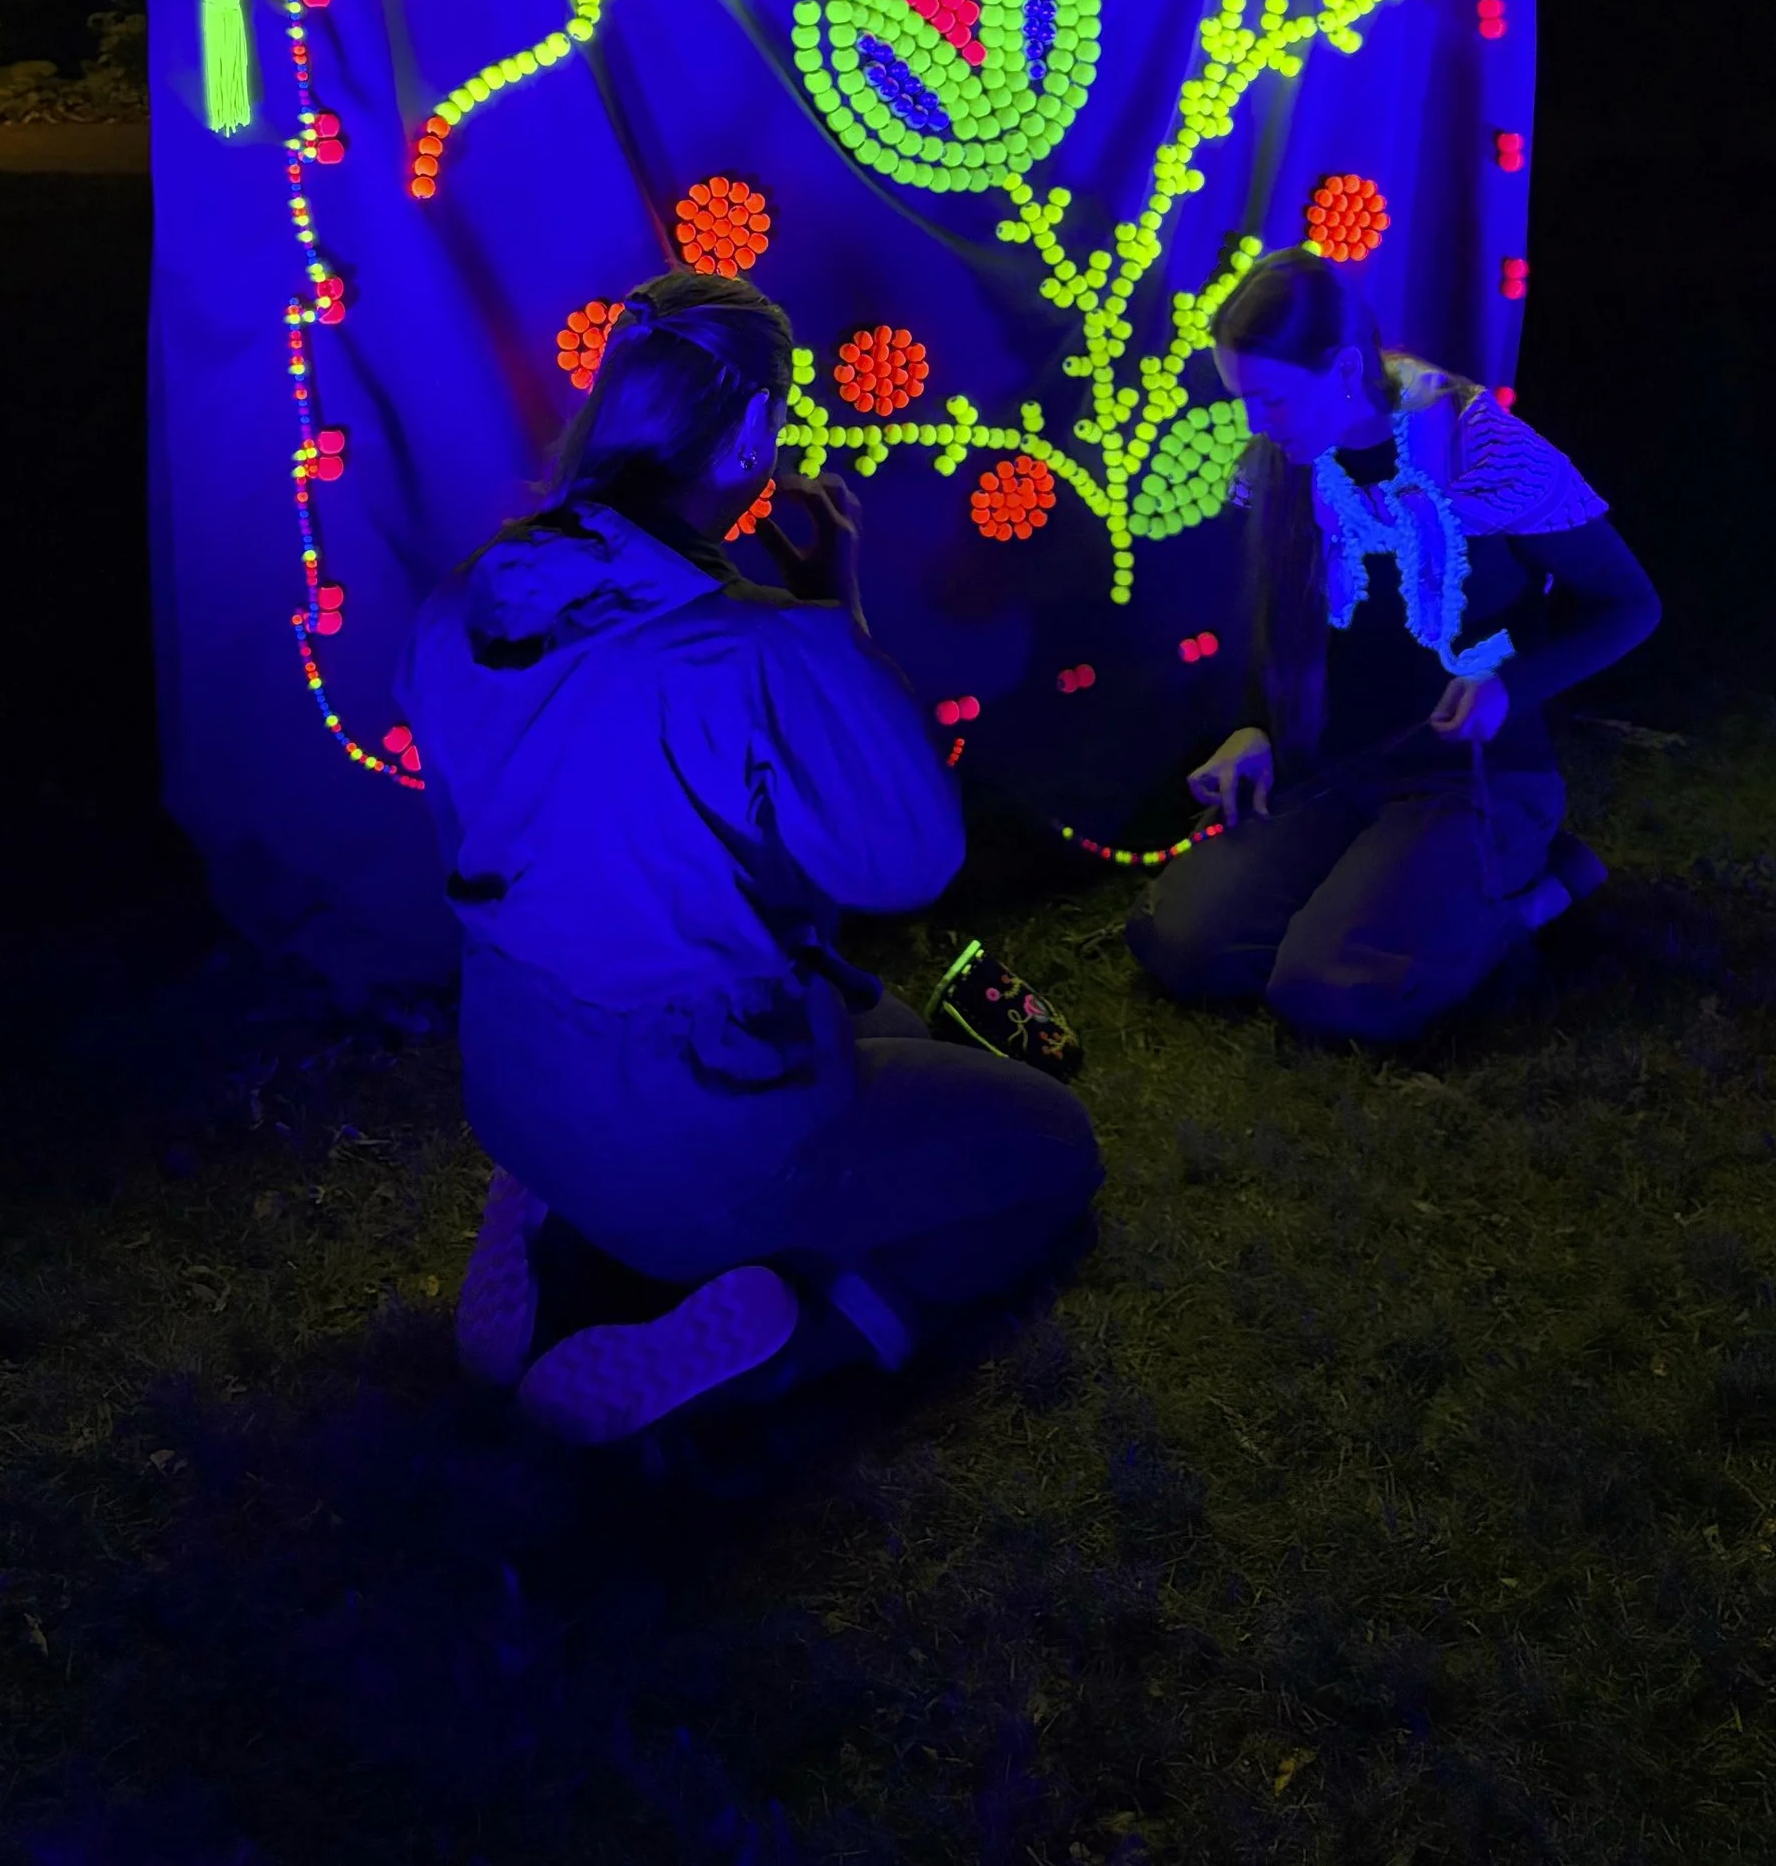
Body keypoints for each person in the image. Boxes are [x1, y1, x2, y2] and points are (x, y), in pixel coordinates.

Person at [398, 269, 1102, 1447]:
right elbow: (906, 857)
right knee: (1045, 1154)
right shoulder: (749, 647)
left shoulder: (464, 599)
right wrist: (835, 613)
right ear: (752, 433)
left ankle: (554, 1221)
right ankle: (793, 1333)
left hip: (515, 1069)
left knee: (898, 1033)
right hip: (700, 1127)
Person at [1126, 246, 1658, 1042]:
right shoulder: (1286, 458)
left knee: (1334, 991)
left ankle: (1541, 886)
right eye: (1245, 400)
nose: (1254, 423)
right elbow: (1280, 615)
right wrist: (1255, 726)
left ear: (1343, 369)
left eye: (1269, 398)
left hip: (1467, 777)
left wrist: (1508, 683)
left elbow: (1627, 604)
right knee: (1184, 942)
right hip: (1340, 767)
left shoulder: (1475, 448)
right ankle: (1380, 893)